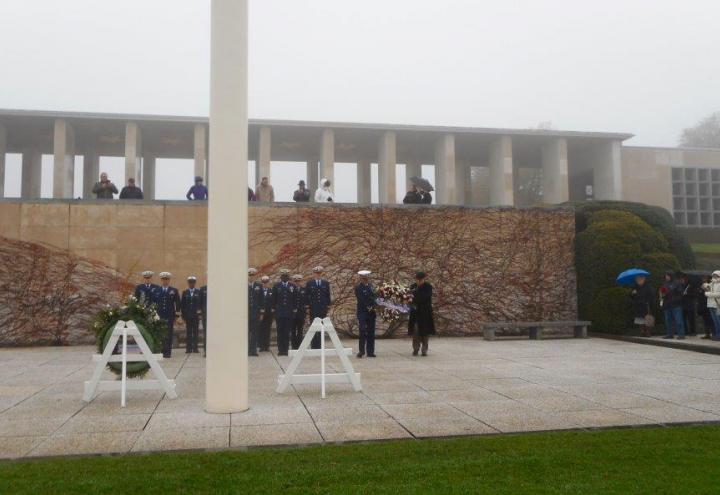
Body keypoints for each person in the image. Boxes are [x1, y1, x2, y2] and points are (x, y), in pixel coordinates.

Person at [153, 272, 181, 358]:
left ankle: (168, 352)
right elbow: (153, 303)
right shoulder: (156, 290)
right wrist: (153, 314)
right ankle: (161, 351)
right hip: (159, 315)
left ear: (169, 280)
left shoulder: (174, 290)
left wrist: (176, 315)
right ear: (161, 280)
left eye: (167, 279)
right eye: (163, 279)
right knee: (160, 333)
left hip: (170, 315)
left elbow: (178, 303)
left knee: (169, 333)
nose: (165, 281)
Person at [408, 271, 435, 356]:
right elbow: (409, 297)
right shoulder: (413, 286)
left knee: (425, 332)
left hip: (425, 313)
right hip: (415, 313)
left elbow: (423, 298)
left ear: (424, 279)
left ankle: (424, 349)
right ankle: (415, 349)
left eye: (421, 280)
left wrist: (414, 296)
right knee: (416, 331)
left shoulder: (428, 287)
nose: (419, 281)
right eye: (417, 280)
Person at [306, 266, 332, 349]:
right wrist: (307, 306)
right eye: (316, 273)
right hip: (313, 308)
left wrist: (328, 306)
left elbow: (328, 295)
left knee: (321, 326)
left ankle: (321, 345)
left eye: (319, 273)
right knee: (313, 326)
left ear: (321, 274)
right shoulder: (310, 283)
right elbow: (307, 295)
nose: (318, 275)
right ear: (314, 274)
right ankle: (314, 345)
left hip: (322, 308)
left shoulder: (325, 283)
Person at [273, 269, 297, 356]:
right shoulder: (276, 286)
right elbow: (274, 300)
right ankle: (280, 350)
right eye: (283, 276)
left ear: (288, 277)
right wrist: (274, 311)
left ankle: (286, 350)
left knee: (287, 332)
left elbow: (294, 299)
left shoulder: (292, 286)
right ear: (281, 277)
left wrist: (294, 311)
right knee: (280, 332)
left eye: (286, 276)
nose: (285, 277)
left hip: (288, 313)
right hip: (279, 313)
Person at [355, 270, 377, 358]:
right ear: (361, 278)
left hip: (371, 313)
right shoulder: (358, 288)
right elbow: (361, 299)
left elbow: (375, 298)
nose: (365, 280)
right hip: (362, 312)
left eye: (366, 278)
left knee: (371, 332)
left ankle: (370, 352)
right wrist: (369, 306)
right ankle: (361, 351)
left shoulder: (372, 287)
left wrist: (374, 306)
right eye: (363, 278)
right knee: (362, 330)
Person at [660, 271, 685, 340]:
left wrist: (675, 299)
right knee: (668, 321)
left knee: (678, 320)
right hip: (667, 305)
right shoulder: (664, 284)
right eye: (666, 276)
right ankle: (670, 334)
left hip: (676, 305)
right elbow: (662, 293)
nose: (666, 277)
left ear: (671, 276)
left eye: (668, 275)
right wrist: (662, 294)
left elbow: (680, 294)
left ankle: (681, 334)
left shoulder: (677, 283)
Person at [180, 276, 202, 354]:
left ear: (195, 283)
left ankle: (195, 348)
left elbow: (200, 304)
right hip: (188, 316)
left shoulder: (198, 292)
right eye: (190, 282)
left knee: (196, 332)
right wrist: (183, 316)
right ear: (188, 283)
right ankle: (188, 348)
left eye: (193, 282)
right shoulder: (185, 292)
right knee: (188, 332)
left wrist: (200, 314)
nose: (191, 284)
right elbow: (182, 305)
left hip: (196, 316)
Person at [248, 268, 262, 356]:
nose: (251, 277)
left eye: (253, 275)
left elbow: (261, 300)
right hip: (246, 314)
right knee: (246, 333)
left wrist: (261, 313)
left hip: (255, 312)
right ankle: (246, 350)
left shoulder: (259, 286)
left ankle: (253, 351)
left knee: (254, 332)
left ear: (255, 276)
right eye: (250, 275)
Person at [291, 274, 308, 349]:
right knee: (293, 330)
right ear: (293, 281)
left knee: (300, 330)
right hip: (292, 314)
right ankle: (294, 346)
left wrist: (306, 313)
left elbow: (306, 302)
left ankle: (300, 346)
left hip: (301, 313)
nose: (297, 282)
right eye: (296, 281)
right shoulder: (290, 290)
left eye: (299, 281)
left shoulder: (304, 290)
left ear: (301, 281)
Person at [258, 276, 274, 352]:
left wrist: (273, 311)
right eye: (263, 282)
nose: (265, 284)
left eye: (266, 282)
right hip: (261, 314)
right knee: (261, 330)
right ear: (262, 283)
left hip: (269, 314)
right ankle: (261, 346)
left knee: (267, 330)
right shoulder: (258, 291)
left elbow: (273, 302)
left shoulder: (271, 291)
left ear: (268, 283)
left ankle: (267, 346)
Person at [702, 271, 720, 340]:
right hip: (710, 304)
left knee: (718, 321)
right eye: (714, 275)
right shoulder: (712, 283)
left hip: (717, 305)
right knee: (715, 321)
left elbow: (718, 294)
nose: (715, 277)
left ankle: (718, 335)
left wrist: (708, 294)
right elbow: (705, 286)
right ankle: (717, 335)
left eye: (716, 276)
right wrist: (705, 286)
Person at [200, 282, 208, 356]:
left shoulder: (219, 288)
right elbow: (200, 302)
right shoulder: (202, 289)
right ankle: (206, 352)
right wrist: (200, 314)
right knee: (206, 334)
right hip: (206, 316)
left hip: (216, 316)